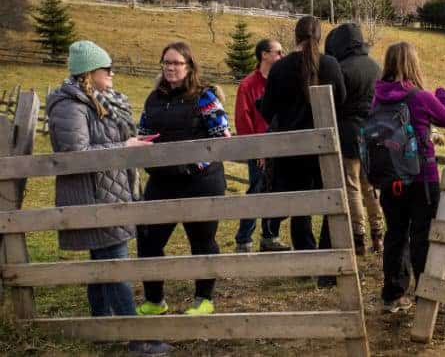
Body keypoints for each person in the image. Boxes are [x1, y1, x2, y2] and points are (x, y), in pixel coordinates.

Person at [47, 40, 171, 355]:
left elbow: (101, 142)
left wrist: (129, 141)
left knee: (103, 263)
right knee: (116, 266)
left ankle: (100, 326)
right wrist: (123, 149)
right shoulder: (70, 106)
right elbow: (75, 154)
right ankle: (137, 338)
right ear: (90, 73)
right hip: (93, 198)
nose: (113, 74)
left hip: (109, 193)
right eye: (108, 69)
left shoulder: (96, 100)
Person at [136, 41, 230, 317]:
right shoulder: (154, 99)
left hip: (200, 180)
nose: (171, 68)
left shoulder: (204, 97)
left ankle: (204, 298)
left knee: (201, 239)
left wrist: (193, 163)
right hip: (162, 179)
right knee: (149, 238)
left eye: (177, 63)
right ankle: (155, 300)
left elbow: (222, 137)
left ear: (189, 66)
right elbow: (143, 130)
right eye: (166, 62)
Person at [373, 42, 445, 317]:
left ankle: (392, 294)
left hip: (390, 179)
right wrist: (444, 95)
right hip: (422, 177)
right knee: (423, 236)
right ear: (413, 64)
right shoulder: (420, 97)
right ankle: (429, 294)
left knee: (395, 234)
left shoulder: (378, 98)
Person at [259, 16, 346, 255]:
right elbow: (342, 101)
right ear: (319, 37)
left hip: (290, 148)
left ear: (296, 37)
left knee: (300, 207)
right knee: (332, 200)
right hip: (324, 144)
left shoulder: (280, 68)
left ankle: (306, 254)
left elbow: (267, 109)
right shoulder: (330, 64)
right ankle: (329, 252)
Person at [324, 23, 384, 256]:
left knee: (352, 186)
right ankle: (378, 235)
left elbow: (335, 103)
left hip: (348, 132)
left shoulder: (340, 68)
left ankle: (358, 238)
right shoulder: (375, 67)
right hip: (372, 132)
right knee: (370, 187)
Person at [234, 38, 290, 253]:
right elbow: (243, 119)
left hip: (279, 146)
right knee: (256, 190)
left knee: (276, 191)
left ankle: (270, 236)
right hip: (258, 147)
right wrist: (257, 149)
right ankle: (243, 238)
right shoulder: (248, 85)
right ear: (264, 55)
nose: (281, 56)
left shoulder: (279, 82)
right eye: (278, 52)